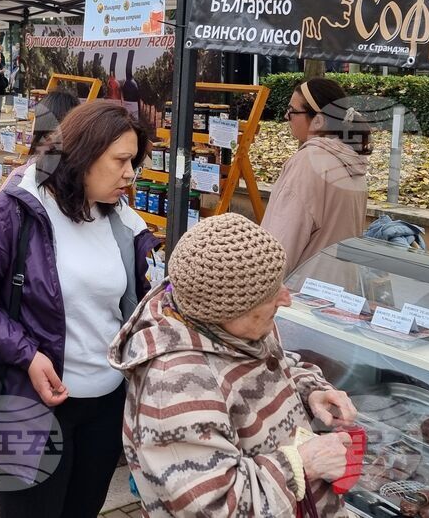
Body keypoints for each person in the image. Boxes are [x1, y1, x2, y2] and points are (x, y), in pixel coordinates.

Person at [0, 100, 162, 518]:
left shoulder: (122, 221)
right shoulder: (15, 210)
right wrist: (27, 355)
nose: (130, 174)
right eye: (120, 161)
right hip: (26, 407)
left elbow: (129, 307)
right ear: (84, 155)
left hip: (105, 407)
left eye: (134, 162)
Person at [111, 213, 357, 517]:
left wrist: (310, 390)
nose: (286, 299)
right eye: (270, 294)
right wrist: (301, 464)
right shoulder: (175, 385)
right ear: (226, 310)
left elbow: (277, 366)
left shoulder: (238, 327)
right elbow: (212, 507)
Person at [260, 77, 370, 275]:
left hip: (300, 289)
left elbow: (280, 247)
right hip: (340, 287)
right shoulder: (352, 162)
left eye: (292, 110)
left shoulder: (308, 163)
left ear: (318, 120)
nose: (286, 116)